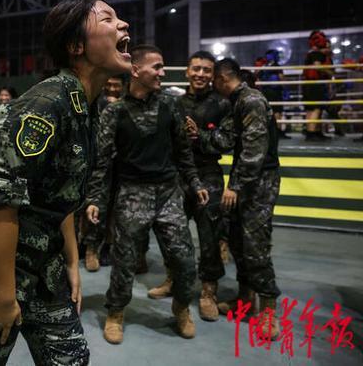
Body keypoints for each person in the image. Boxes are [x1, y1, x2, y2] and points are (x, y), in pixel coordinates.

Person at [0, 0, 131, 365]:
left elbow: (61, 199)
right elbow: (1, 205)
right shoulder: (45, 105)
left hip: (43, 265)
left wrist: (72, 264)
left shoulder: (88, 109)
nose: (123, 24)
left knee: (71, 359)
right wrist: (5, 299)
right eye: (107, 19)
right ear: (76, 46)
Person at [85, 44, 208, 343]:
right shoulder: (114, 112)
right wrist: (95, 199)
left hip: (168, 193)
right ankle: (115, 312)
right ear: (135, 70)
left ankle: (181, 307)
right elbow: (102, 161)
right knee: (124, 261)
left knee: (183, 259)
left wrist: (194, 182)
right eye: (157, 67)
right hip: (132, 193)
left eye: (162, 67)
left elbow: (182, 151)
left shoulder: (170, 105)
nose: (162, 73)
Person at [202, 58, 282, 338]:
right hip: (244, 183)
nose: (212, 85)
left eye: (214, 80)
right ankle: (246, 301)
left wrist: (234, 186)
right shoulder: (236, 102)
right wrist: (197, 134)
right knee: (237, 240)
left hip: (258, 184)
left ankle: (269, 313)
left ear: (223, 79)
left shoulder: (252, 100)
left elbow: (254, 151)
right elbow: (224, 140)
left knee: (256, 244)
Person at [176, 51, 232, 321]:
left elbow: (228, 140)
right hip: (177, 177)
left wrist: (200, 136)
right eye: (195, 68)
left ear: (213, 75)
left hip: (208, 174)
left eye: (206, 70)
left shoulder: (222, 104)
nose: (200, 74)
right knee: (173, 234)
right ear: (187, 71)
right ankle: (174, 281)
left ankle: (209, 291)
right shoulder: (173, 103)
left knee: (209, 236)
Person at [82, 74, 125, 272]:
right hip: (99, 163)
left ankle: (108, 246)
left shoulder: (127, 105)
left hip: (124, 164)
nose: (112, 88)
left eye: (116, 84)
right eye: (109, 84)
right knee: (97, 205)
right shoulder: (94, 103)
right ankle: (91, 248)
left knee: (116, 209)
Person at [302, 30, 332, 141]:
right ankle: (311, 133)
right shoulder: (317, 54)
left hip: (310, 84)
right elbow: (318, 67)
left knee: (312, 109)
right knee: (316, 109)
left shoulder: (311, 53)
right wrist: (331, 73)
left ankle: (315, 131)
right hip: (315, 84)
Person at [255, 50, 290, 139]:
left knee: (268, 112)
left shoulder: (263, 67)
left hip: (266, 91)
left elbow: (257, 79)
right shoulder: (276, 66)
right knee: (277, 111)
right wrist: (286, 89)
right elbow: (281, 78)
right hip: (275, 91)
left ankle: (271, 132)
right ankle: (277, 132)